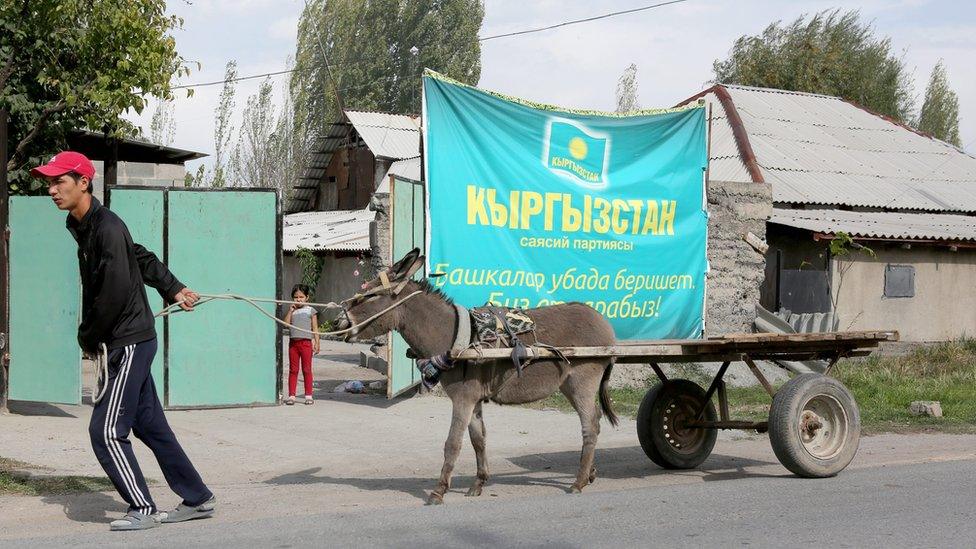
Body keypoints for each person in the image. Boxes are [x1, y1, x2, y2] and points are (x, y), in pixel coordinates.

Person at [34, 151, 216, 531]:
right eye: (49, 183)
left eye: (58, 182)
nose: (51, 190)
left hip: (129, 340)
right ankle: (197, 496)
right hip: (126, 339)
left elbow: (114, 292)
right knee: (149, 425)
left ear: (84, 182)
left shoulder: (106, 227)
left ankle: (143, 509)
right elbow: (140, 257)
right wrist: (175, 288)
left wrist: (87, 335)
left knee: (105, 431)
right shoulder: (84, 224)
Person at [283, 284, 320, 405]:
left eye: (301, 297)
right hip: (293, 344)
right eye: (295, 297)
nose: (298, 299)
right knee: (293, 370)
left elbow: (315, 328)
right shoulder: (293, 311)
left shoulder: (310, 310)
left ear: (307, 297)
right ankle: (292, 395)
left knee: (307, 369)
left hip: (306, 343)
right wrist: (290, 311)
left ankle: (308, 395)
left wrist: (317, 342)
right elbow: (286, 324)